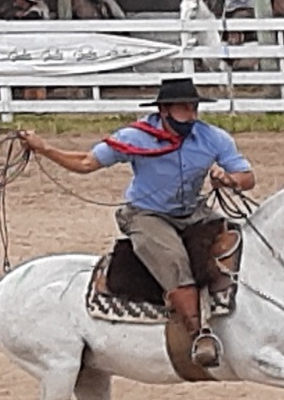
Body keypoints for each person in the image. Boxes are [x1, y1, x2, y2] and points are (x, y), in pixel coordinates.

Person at [20, 77, 255, 371]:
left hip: (193, 210)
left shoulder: (212, 138)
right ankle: (199, 334)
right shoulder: (135, 137)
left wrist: (230, 179)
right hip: (147, 214)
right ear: (164, 110)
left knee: (235, 238)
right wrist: (43, 148)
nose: (192, 114)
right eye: (184, 107)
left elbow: (247, 177)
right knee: (173, 261)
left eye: (194, 107)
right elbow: (86, 162)